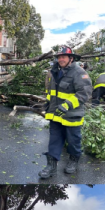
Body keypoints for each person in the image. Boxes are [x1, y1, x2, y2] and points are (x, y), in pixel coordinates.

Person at [39, 46, 92, 179]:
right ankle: (51, 166)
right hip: (56, 114)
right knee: (54, 141)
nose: (61, 59)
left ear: (71, 58)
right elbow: (52, 92)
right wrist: (47, 104)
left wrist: (68, 104)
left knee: (73, 141)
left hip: (71, 115)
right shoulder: (55, 72)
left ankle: (73, 160)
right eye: (59, 57)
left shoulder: (79, 72)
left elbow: (85, 93)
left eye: (63, 57)